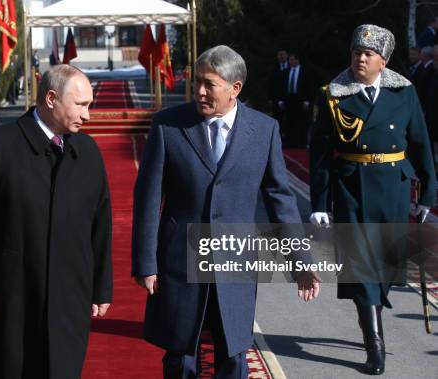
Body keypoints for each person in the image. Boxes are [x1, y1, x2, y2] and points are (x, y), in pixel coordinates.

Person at [132, 45, 320, 379]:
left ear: (235, 89)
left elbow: (280, 200)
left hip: (236, 261)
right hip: (179, 259)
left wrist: (300, 261)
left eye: (209, 84)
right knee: (181, 357)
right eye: (197, 83)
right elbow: (147, 199)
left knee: (233, 355)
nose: (199, 92)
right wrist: (146, 264)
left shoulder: (264, 131)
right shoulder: (168, 126)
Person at [0, 64, 113, 379]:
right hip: (12, 294)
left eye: (90, 105)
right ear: (51, 99)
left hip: (69, 294)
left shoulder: (88, 152)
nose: (89, 115)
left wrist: (101, 286)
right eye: (81, 105)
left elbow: (101, 225)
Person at [310, 24, 437, 375]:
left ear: (383, 60)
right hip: (352, 189)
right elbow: (320, 152)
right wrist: (319, 204)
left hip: (393, 188)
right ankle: (375, 345)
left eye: (368, 54)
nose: (360, 58)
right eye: (356, 52)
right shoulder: (335, 93)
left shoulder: (404, 91)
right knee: (363, 267)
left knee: (383, 270)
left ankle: (371, 312)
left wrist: (428, 192)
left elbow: (420, 142)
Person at [278, 52, 313, 147]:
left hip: (300, 100)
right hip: (289, 99)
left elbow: (309, 86)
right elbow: (281, 86)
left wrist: (307, 100)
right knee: (289, 121)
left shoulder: (304, 71)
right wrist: (281, 100)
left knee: (301, 121)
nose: (291, 61)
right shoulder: (286, 71)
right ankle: (290, 143)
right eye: (290, 60)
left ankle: (302, 142)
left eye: (293, 59)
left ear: (297, 60)